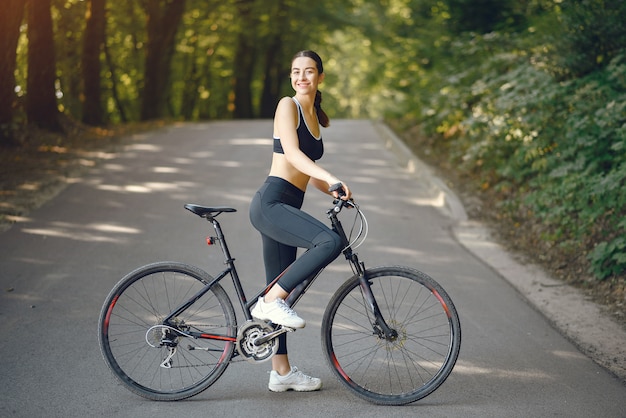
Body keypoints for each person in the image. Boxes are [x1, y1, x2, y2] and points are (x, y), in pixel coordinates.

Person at [249, 50, 352, 392]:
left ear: (320, 77)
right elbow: (291, 154)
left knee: (283, 289)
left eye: (309, 72)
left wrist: (335, 190)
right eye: (296, 72)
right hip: (272, 202)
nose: (302, 77)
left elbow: (308, 172)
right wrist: (330, 175)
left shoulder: (313, 114)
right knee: (329, 242)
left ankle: (280, 373)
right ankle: (267, 302)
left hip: (288, 203)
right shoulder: (287, 106)